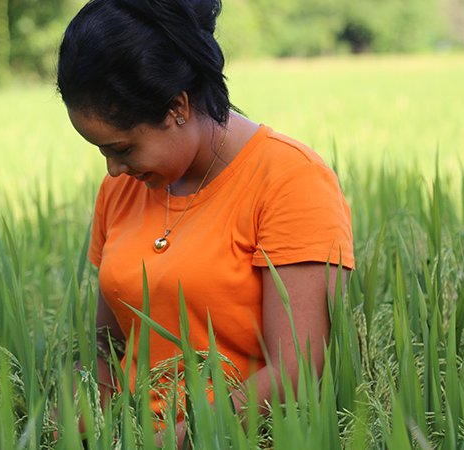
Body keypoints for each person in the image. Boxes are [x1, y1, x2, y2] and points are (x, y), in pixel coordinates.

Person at [56, 0, 354, 444]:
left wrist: (177, 440)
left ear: (177, 106)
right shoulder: (122, 190)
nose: (112, 170)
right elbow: (108, 345)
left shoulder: (291, 181)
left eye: (122, 149)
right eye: (101, 151)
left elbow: (298, 371)